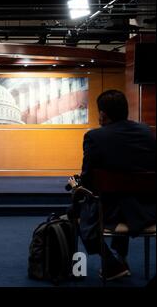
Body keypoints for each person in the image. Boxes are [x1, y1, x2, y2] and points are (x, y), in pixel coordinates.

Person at [67, 89, 156, 281]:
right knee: (121, 196)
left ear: (102, 114)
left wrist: (77, 186)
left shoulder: (95, 137)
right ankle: (121, 258)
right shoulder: (147, 132)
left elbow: (88, 180)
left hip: (110, 211)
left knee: (79, 209)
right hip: (147, 209)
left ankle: (111, 263)